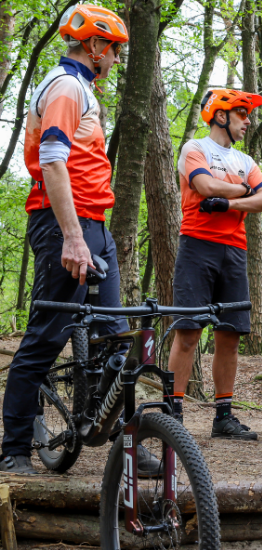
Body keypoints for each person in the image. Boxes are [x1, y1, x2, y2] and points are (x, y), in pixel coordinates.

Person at [0, 4, 151, 474]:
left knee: (115, 338)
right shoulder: (66, 87)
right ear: (95, 46)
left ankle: (128, 446)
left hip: (95, 225)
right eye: (116, 50)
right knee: (45, 339)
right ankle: (14, 450)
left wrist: (90, 234)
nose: (118, 59)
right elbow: (51, 160)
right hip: (65, 224)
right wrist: (71, 237)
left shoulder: (82, 88)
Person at [169, 88, 262, 441]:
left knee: (229, 336)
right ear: (220, 115)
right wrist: (246, 191)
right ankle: (172, 415)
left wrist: (229, 203)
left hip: (234, 250)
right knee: (188, 333)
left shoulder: (245, 161)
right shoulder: (194, 148)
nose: (247, 122)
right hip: (196, 246)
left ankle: (224, 417)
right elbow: (203, 184)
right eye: (241, 114)